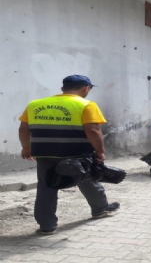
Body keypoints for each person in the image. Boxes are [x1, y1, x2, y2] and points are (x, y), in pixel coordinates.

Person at [18, 75, 119, 235]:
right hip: (76, 154)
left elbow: (24, 129)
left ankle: (47, 226)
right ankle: (100, 209)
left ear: (62, 89)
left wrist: (26, 147)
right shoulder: (86, 105)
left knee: (46, 187)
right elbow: (93, 130)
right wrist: (99, 151)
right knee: (87, 179)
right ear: (86, 88)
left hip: (44, 153)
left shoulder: (34, 104)